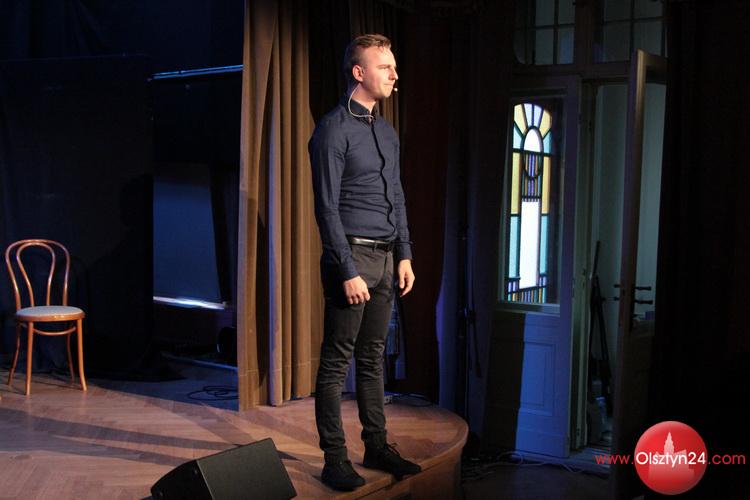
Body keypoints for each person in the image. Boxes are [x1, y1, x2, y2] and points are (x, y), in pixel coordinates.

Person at [308, 33, 421, 491]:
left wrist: (405, 253)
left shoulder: (387, 132)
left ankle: (376, 445)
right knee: (337, 361)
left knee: (373, 357)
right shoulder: (332, 130)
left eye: (393, 66)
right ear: (359, 72)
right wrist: (346, 269)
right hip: (351, 257)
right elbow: (326, 208)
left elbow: (397, 194)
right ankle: (334, 459)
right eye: (384, 67)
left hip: (387, 257)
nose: (395, 74)